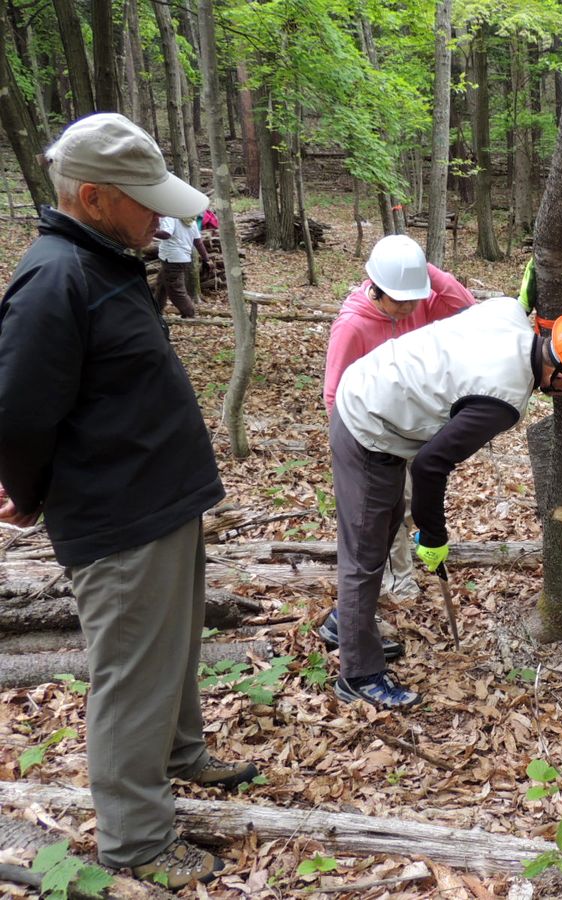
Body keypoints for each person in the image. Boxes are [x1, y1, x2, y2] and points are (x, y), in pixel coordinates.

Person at [0, 113, 256, 888]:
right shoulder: (55, 279)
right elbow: (16, 409)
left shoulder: (108, 259)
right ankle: (138, 839)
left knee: (174, 646)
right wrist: (27, 490)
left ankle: (181, 754)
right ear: (93, 197)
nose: (161, 215)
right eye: (145, 199)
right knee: (133, 671)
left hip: (163, 496)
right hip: (117, 514)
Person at [329, 298, 562, 708]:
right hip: (369, 421)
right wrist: (433, 535)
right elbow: (432, 465)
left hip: (378, 384)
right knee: (364, 553)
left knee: (378, 533)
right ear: (560, 374)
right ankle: (358, 674)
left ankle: (345, 626)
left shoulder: (506, 311)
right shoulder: (502, 401)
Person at [318, 235, 474, 657]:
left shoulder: (419, 300)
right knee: (370, 536)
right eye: (399, 301)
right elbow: (334, 393)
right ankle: (363, 621)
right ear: (375, 287)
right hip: (367, 437)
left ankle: (349, 617)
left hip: (409, 430)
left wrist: (429, 273)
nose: (408, 309)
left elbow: (466, 310)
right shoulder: (353, 324)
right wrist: (355, 453)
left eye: (413, 298)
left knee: (393, 519)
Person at [154, 212, 210, 318]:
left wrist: (150, 231)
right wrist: (206, 259)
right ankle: (156, 310)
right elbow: (198, 242)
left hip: (172, 258)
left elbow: (166, 234)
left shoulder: (171, 216)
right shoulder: (189, 220)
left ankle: (189, 313)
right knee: (161, 284)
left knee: (175, 289)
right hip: (179, 258)